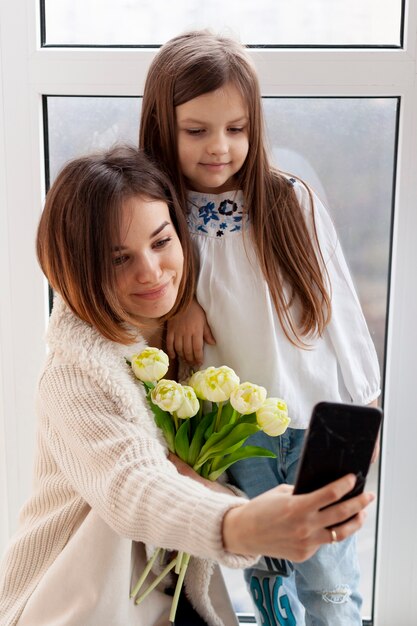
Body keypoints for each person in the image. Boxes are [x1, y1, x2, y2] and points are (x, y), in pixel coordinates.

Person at [0, 146, 374, 626]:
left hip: (172, 599)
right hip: (76, 604)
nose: (151, 272)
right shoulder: (75, 373)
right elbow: (133, 486)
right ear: (78, 268)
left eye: (161, 242)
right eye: (119, 259)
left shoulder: (193, 343)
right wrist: (241, 523)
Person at [139, 30, 381, 625]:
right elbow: (139, 303)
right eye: (196, 130)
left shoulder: (289, 201)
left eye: (237, 129)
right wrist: (180, 306)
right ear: (161, 127)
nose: (219, 147)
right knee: (267, 580)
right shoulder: (158, 219)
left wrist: (367, 407)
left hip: (314, 423)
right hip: (234, 437)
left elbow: (342, 316)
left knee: (330, 579)